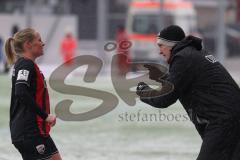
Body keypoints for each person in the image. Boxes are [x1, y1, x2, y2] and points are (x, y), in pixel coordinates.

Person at [136, 25, 240, 160]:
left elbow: (164, 99)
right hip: (230, 118)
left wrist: (143, 91)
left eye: (161, 45)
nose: (159, 51)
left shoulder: (183, 58)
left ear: (171, 45)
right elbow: (184, 81)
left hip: (224, 121)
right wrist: (161, 77)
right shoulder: (193, 53)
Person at [5, 28, 62, 160]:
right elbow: (21, 92)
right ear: (28, 44)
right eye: (39, 40)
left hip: (29, 131)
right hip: (30, 131)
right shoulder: (26, 64)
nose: (43, 43)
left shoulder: (25, 64)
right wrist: (45, 116)